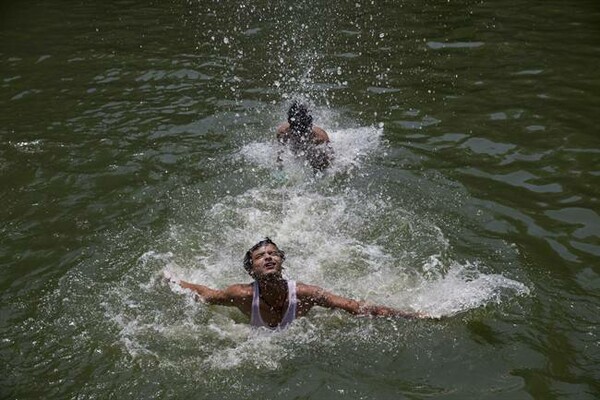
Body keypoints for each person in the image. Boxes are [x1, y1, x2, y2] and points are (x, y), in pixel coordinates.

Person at [164, 238, 428, 330]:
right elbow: (206, 295)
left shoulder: (306, 294)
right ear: (251, 268)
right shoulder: (242, 295)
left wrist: (413, 315)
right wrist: (173, 280)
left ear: (281, 261)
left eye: (273, 253)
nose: (268, 257)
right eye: (260, 256)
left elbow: (355, 307)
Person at [276, 102, 333, 172]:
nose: (300, 136)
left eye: (303, 132)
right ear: (290, 125)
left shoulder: (320, 138)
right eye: (295, 132)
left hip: (313, 153)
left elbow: (330, 159)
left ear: (310, 126)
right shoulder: (283, 133)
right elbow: (280, 155)